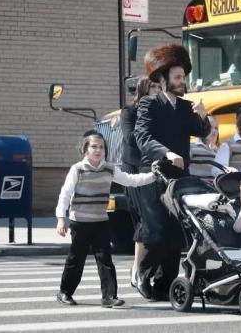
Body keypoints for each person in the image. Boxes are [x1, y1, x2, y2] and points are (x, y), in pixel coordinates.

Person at [134, 43, 211, 300]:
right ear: (163, 79)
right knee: (155, 231)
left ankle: (165, 284)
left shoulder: (186, 106)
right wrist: (166, 153)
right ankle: (142, 275)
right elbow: (142, 136)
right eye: (177, 77)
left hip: (179, 178)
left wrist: (204, 116)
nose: (182, 81)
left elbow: (202, 132)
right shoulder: (149, 104)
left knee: (174, 232)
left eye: (183, 77)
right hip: (152, 173)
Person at [55, 132, 157, 308]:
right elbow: (65, 194)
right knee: (76, 259)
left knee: (105, 260)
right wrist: (61, 219)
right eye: (94, 146)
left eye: (101, 147)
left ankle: (109, 297)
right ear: (85, 149)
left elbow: (130, 180)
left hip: (101, 221)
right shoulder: (77, 169)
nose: (98, 150)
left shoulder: (109, 169)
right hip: (80, 222)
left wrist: (153, 175)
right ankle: (65, 292)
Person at [120, 76, 161, 288]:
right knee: (144, 218)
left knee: (155, 221)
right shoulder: (129, 112)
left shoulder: (162, 112)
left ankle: (147, 268)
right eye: (152, 86)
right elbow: (130, 138)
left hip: (154, 169)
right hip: (134, 169)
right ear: (143, 89)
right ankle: (138, 269)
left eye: (158, 86)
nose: (156, 90)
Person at [189, 115, 219, 182]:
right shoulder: (191, 147)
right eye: (210, 127)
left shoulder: (217, 151)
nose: (214, 131)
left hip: (216, 189)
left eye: (216, 128)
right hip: (198, 188)